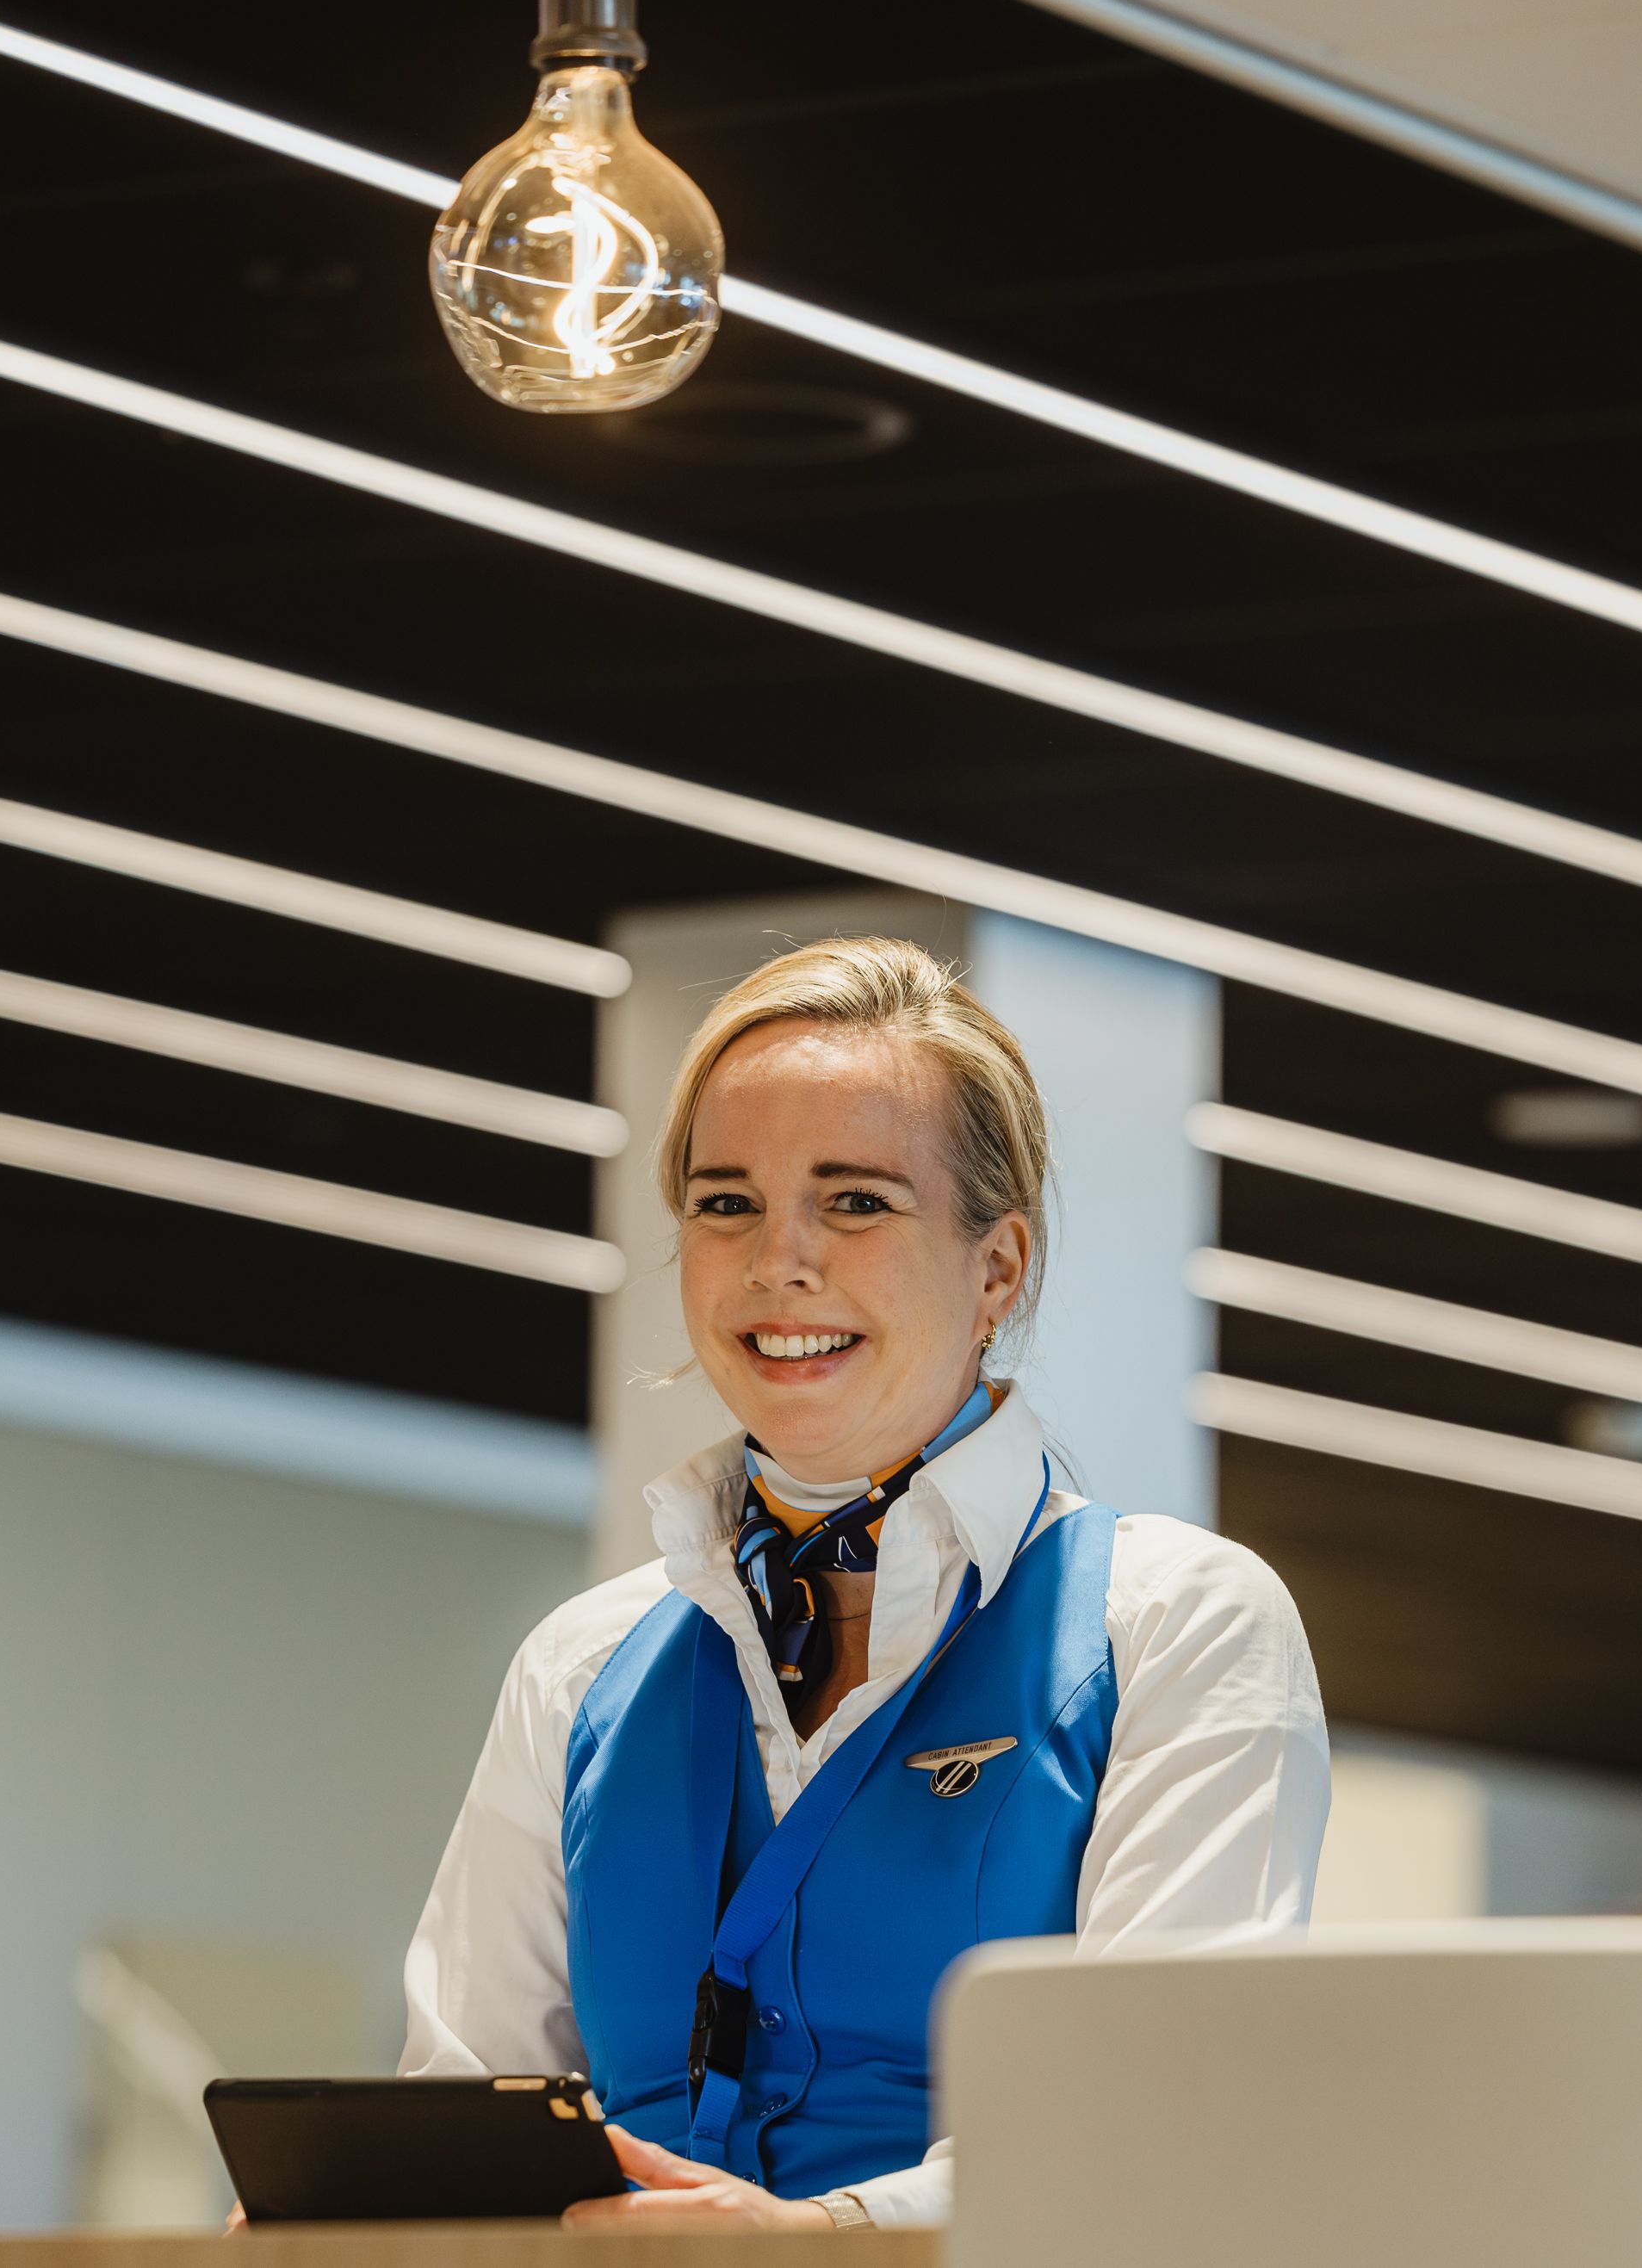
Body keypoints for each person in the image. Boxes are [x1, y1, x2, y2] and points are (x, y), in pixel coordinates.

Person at [400, 937, 1330, 2231]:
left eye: (856, 1203)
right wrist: (375, 2217)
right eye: (725, 1204)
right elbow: (467, 2088)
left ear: (997, 1267)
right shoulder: (580, 1664)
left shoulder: (1173, 1624)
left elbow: (1165, 2120)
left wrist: (830, 2243)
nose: (780, 1262)